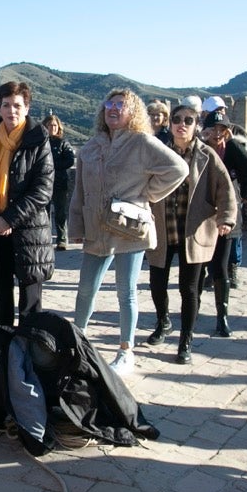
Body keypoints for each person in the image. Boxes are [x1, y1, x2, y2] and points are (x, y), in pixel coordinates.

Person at [67, 89, 187, 377]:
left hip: (128, 229)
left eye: (122, 105)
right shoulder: (90, 148)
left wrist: (146, 195)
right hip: (97, 227)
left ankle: (126, 350)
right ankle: (77, 342)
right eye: (110, 103)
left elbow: (178, 168)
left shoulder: (142, 143)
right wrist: (76, 226)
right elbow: (79, 191)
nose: (114, 109)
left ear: (133, 112)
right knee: (85, 288)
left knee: (126, 292)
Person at [0, 81, 55, 375]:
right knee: (1, 295)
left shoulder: (38, 139)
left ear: (27, 108)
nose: (11, 110)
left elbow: (43, 189)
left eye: (17, 105)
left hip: (29, 231)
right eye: (6, 104)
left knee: (31, 298)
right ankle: (0, 353)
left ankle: (32, 355)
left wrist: (11, 218)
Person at [144, 104, 236, 362]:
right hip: (162, 228)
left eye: (188, 120)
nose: (181, 124)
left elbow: (225, 189)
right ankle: (163, 322)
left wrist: (227, 218)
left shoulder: (207, 155)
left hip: (192, 232)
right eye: (176, 119)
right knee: (157, 284)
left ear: (196, 126)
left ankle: (186, 340)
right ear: (170, 123)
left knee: (190, 288)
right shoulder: (159, 153)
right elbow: (143, 183)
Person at [203, 109, 247, 289]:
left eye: (222, 129)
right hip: (207, 196)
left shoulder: (234, 147)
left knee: (232, 234)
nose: (217, 134)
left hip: (231, 194)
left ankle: (232, 269)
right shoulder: (201, 148)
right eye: (213, 129)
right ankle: (212, 272)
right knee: (209, 234)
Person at [43, 113, 76, 251]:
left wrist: (54, 166)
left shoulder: (63, 143)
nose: (52, 128)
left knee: (60, 212)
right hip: (43, 182)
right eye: (50, 125)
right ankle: (45, 239)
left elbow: (69, 160)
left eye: (55, 125)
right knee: (43, 212)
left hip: (60, 182)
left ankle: (62, 239)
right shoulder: (40, 142)